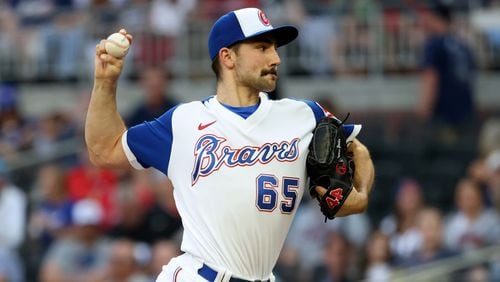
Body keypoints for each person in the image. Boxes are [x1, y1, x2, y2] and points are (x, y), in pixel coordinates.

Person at [85, 7, 374, 282]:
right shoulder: (185, 121)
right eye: (262, 48)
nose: (276, 58)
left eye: (274, 48)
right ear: (227, 57)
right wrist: (105, 82)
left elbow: (357, 150)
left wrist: (360, 193)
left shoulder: (304, 116)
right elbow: (104, 150)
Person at [417, 2, 476, 130]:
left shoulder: (434, 44)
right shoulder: (462, 45)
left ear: (436, 18)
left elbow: (431, 77)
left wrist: (424, 109)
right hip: (466, 113)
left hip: (443, 115)